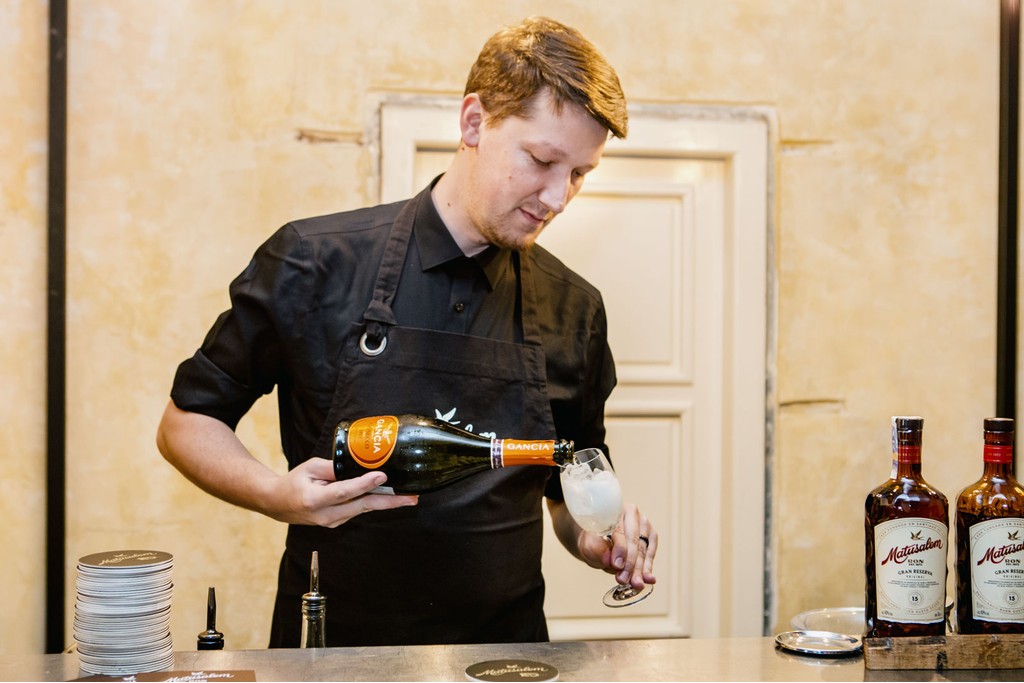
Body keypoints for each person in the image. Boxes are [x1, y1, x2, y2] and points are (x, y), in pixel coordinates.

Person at [157, 15, 658, 647]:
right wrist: (275, 495)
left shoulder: (575, 308)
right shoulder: (313, 262)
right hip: (335, 653)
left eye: (580, 173)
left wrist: (593, 538)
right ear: (473, 122)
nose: (558, 197)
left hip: (506, 658)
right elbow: (185, 424)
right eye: (541, 160)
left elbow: (564, 484)